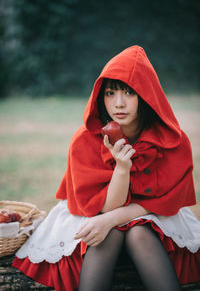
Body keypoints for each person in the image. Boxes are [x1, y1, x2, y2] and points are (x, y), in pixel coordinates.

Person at [12, 45, 200, 291]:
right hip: (93, 211)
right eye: (110, 93)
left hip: (153, 217)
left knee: (139, 232)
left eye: (129, 92)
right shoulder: (85, 139)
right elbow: (103, 208)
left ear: (146, 95)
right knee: (106, 235)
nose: (118, 103)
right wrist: (122, 168)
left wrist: (111, 220)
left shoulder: (171, 141)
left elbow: (165, 202)